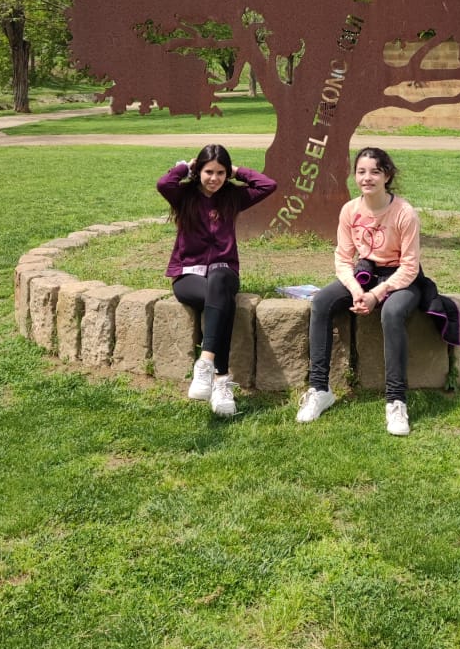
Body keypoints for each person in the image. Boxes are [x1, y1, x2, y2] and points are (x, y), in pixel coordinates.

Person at [296, 146, 422, 436]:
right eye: (361, 172)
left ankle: (396, 401)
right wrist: (356, 290)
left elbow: (410, 267)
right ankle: (320, 389)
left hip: (400, 278)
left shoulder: (404, 213)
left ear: (387, 176)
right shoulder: (350, 211)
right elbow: (343, 259)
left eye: (375, 172)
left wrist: (377, 294)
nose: (367, 178)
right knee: (322, 301)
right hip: (364, 275)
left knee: (392, 312)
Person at [157, 144, 276, 416]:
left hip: (224, 273)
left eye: (221, 173)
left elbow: (268, 185)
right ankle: (221, 381)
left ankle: (205, 363)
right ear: (199, 171)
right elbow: (164, 183)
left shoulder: (232, 197)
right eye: (209, 172)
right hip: (188, 275)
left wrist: (237, 171)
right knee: (224, 303)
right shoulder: (183, 195)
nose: (215, 178)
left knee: (220, 278)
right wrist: (185, 167)